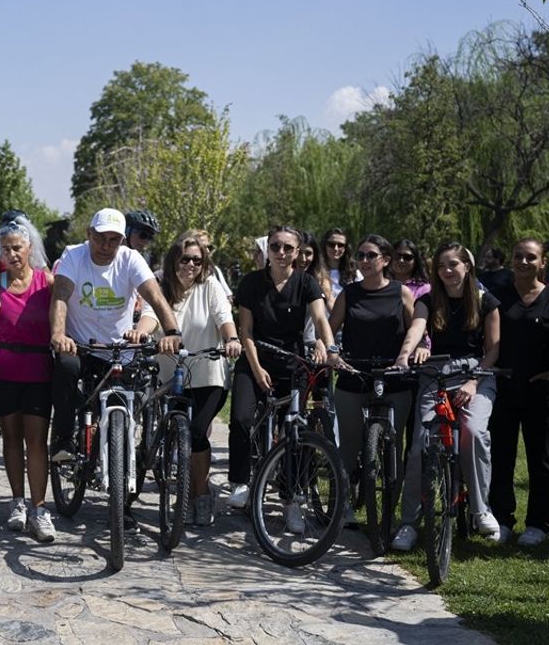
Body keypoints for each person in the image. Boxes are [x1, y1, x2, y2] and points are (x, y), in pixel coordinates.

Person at [49, 208, 182, 532]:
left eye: (113, 239)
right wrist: (58, 334)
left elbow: (154, 295)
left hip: (119, 350)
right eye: (100, 238)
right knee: (65, 368)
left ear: (121, 240)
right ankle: (65, 440)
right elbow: (61, 295)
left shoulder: (130, 260)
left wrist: (172, 331)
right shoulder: (74, 256)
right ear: (89, 234)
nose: (106, 245)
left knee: (131, 412)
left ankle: (122, 501)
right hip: (81, 346)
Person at [392, 242, 503, 551]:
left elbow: (493, 349)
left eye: (453, 264)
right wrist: (404, 356)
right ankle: (409, 523)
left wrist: (474, 381)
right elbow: (416, 329)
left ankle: (481, 510)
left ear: (467, 266)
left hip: (476, 374)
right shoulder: (428, 300)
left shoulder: (487, 301)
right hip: (436, 373)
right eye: (441, 266)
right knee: (420, 445)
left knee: (473, 431)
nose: (447, 271)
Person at [229, 226, 336, 524]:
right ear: (268, 249)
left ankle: (292, 499)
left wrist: (331, 348)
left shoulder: (307, 283)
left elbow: (319, 318)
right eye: (275, 246)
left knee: (295, 431)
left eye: (288, 248)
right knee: (241, 417)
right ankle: (241, 481)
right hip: (255, 358)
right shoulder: (252, 283)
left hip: (291, 362)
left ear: (298, 252)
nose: (281, 253)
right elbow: (245, 332)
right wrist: (256, 367)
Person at [142, 232, 241, 526]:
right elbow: (150, 315)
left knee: (197, 431)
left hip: (208, 371)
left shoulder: (210, 286)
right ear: (174, 258)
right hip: (172, 373)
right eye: (185, 259)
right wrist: (142, 333)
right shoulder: (160, 287)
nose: (191, 265)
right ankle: (179, 487)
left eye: (197, 260)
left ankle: (200, 494)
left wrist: (232, 339)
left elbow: (224, 317)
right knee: (174, 430)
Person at [487, 238, 549, 546]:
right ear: (511, 260)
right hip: (504, 389)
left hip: (542, 392)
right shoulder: (498, 297)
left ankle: (538, 524)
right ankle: (502, 519)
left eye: (531, 257)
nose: (523, 262)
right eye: (518, 256)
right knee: (501, 456)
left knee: (542, 460)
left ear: (542, 263)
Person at [328, 235, 415, 525]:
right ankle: (342, 505)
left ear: (386, 260)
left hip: (394, 376)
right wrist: (332, 353)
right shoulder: (349, 294)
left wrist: (420, 349)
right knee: (349, 444)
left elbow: (418, 330)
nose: (364, 261)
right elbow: (329, 331)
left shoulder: (401, 293)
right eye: (361, 256)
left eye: (371, 255)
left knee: (394, 444)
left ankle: (389, 510)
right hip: (354, 374)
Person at [0, 215, 57, 542]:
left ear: (29, 248)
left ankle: (40, 508)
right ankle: (18, 501)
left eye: (17, 248)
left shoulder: (47, 281)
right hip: (3, 371)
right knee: (11, 439)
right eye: (6, 249)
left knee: (36, 442)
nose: (12, 254)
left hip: (38, 371)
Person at [321, 228, 358, 304]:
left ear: (345, 248)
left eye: (340, 245)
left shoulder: (355, 273)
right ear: (325, 245)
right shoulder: (316, 271)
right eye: (331, 244)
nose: (336, 248)